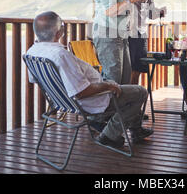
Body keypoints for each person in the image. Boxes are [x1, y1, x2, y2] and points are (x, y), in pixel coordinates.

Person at [26, 11, 153, 148]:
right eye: (62, 25)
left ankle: (136, 130)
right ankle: (109, 134)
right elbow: (81, 91)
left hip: (65, 102)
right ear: (59, 32)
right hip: (93, 101)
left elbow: (36, 80)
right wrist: (108, 86)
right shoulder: (60, 55)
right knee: (140, 92)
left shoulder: (32, 52)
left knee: (129, 94)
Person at [91, 0, 166, 85]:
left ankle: (129, 102)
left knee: (132, 72)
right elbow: (109, 7)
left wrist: (159, 12)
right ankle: (114, 104)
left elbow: (149, 12)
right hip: (113, 34)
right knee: (115, 77)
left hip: (132, 34)